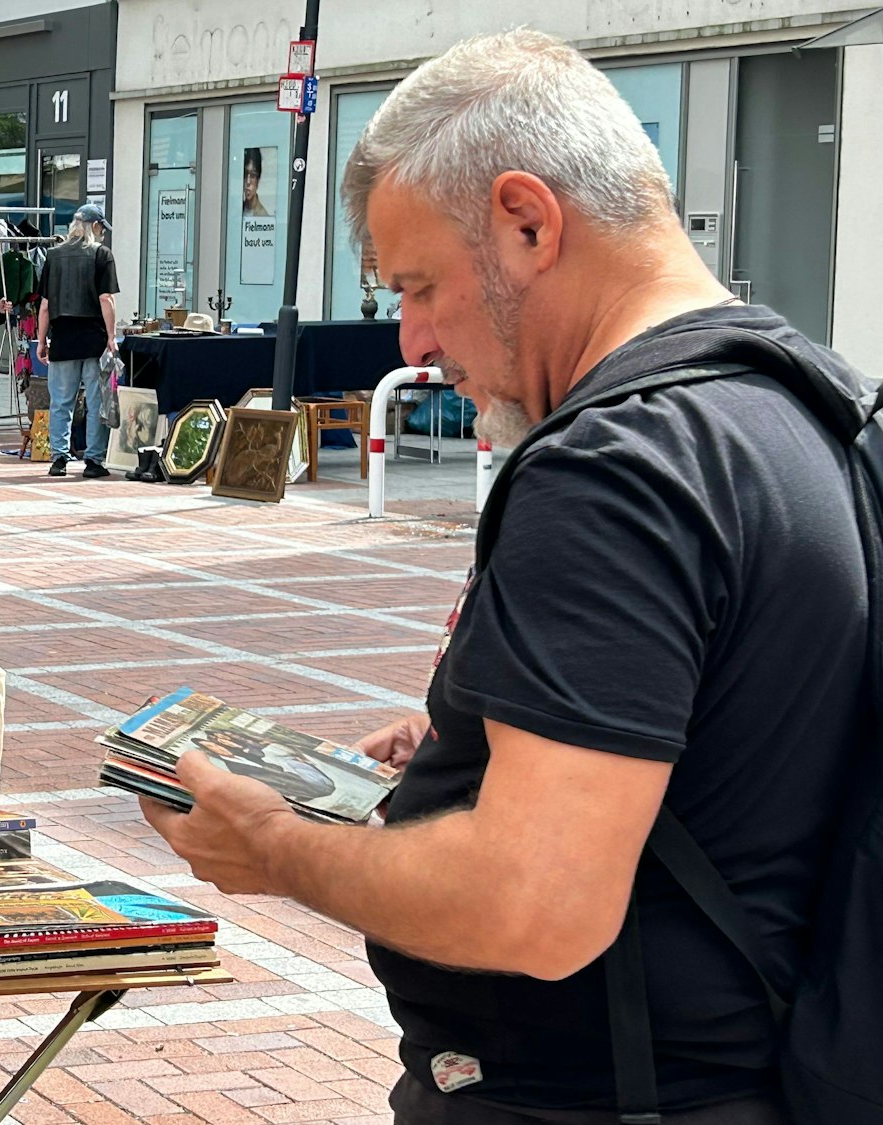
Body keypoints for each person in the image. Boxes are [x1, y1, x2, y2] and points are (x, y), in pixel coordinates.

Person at [140, 29, 870, 1125]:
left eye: (421, 283)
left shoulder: (612, 470)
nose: (412, 336)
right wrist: (493, 739)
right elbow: (748, 739)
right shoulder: (812, 407)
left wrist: (282, 848)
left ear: (527, 222)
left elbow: (536, 906)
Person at [34, 204, 118, 479]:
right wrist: (112, 336)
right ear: (94, 227)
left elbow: (45, 305)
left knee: (61, 402)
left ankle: (59, 458)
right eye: (101, 228)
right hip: (93, 338)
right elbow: (107, 299)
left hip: (63, 338)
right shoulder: (102, 255)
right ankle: (93, 461)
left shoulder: (53, 256)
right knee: (96, 402)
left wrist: (41, 340)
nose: (103, 233)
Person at [241, 147, 272, 217]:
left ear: (258, 180)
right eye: (245, 174)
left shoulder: (263, 216)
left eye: (252, 176)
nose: (248, 182)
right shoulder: (237, 210)